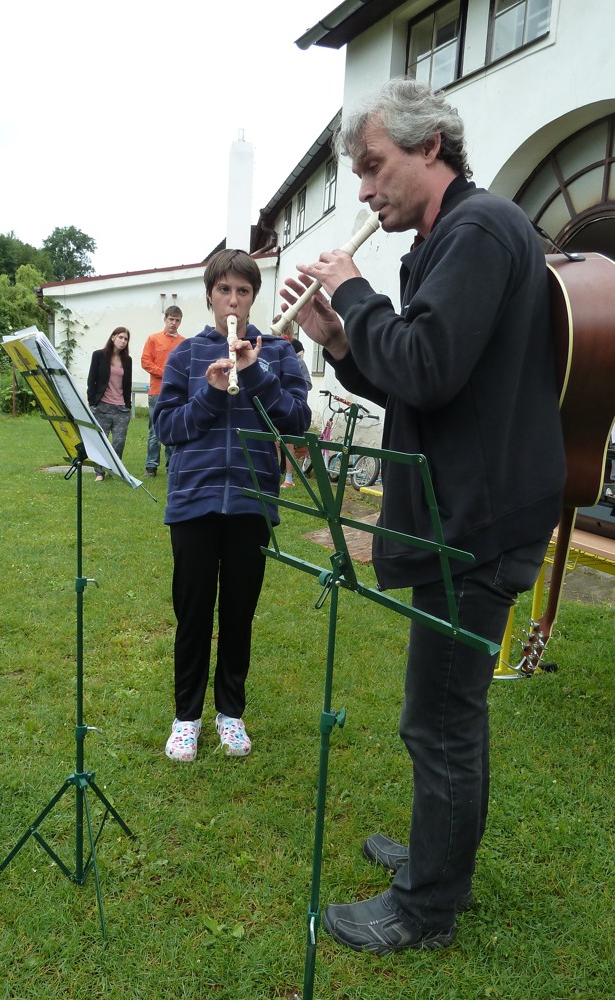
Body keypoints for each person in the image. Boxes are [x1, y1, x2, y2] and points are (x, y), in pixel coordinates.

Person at [280, 78, 566, 955]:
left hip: (480, 522)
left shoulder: (478, 231)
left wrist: (355, 293)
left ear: (430, 146)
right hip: (470, 512)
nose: (366, 191)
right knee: (446, 712)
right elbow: (415, 381)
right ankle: (439, 857)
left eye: (374, 167)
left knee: (439, 718)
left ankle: (427, 906)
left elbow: (427, 367)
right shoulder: (447, 240)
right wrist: (339, 338)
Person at [154, 249, 311, 762]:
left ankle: (230, 713)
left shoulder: (278, 352)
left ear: (252, 298)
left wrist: (255, 371)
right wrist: (210, 394)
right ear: (210, 296)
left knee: (239, 613)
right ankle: (186, 718)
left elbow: (296, 421)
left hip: (251, 500)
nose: (233, 301)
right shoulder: (185, 355)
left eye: (243, 291)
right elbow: (166, 428)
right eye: (224, 290)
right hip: (193, 501)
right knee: (193, 613)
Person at [141, 305, 184, 477]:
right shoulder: (153, 339)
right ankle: (151, 466)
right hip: (157, 391)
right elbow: (145, 361)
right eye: (171, 319)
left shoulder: (184, 342)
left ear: (180, 322)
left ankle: (171, 466)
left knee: (173, 428)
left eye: (177, 320)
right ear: (165, 319)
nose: (173, 323)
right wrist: (165, 373)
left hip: (176, 392)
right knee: (154, 430)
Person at [86, 326, 133, 480]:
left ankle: (114, 470)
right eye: (120, 337)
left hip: (121, 409)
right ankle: (99, 473)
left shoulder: (127, 360)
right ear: (113, 337)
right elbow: (91, 380)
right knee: (102, 441)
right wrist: (92, 402)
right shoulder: (99, 355)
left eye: (126, 339)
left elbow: (128, 384)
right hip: (102, 406)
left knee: (119, 442)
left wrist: (128, 406)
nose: (123, 341)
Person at [281, 339, 313, 487]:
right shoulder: (277, 359)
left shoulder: (299, 362)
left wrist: (293, 386)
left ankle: (289, 478)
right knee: (275, 440)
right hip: (278, 405)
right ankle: (277, 471)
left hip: (292, 406)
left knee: (289, 442)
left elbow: (308, 384)